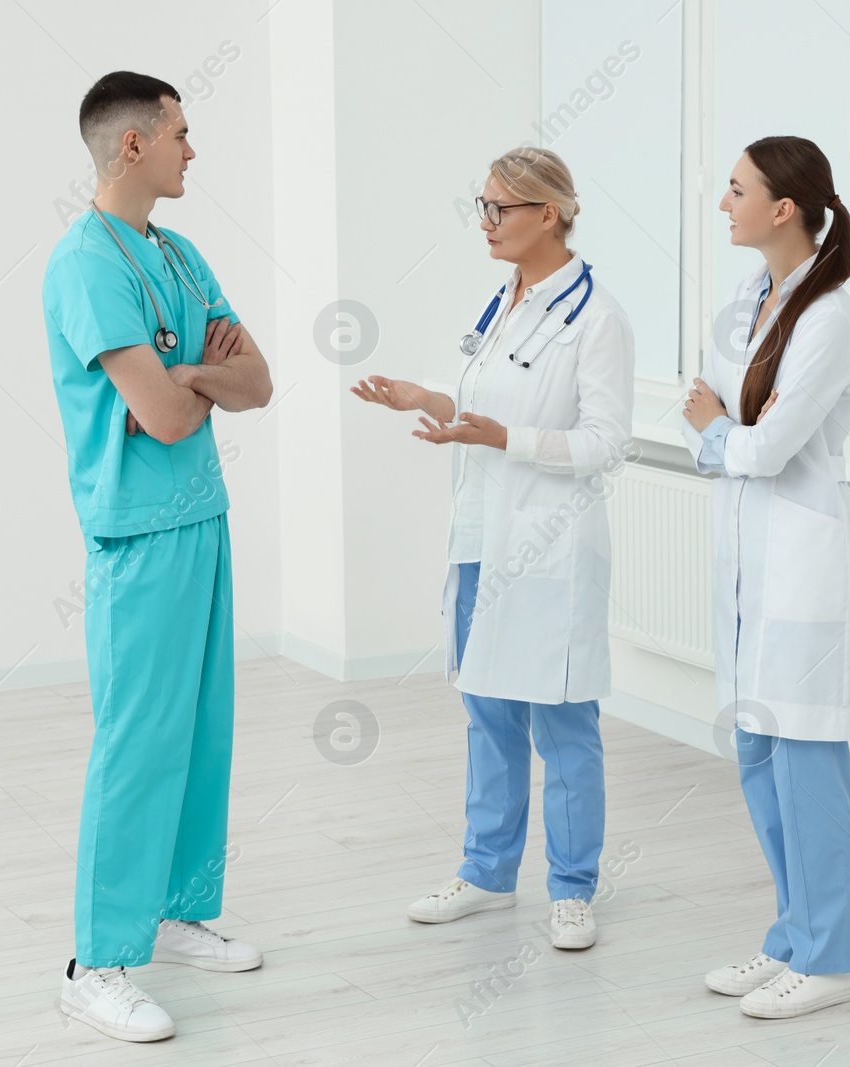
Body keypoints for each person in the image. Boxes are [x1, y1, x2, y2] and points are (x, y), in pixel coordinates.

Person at [351, 147, 634, 950]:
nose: (485, 223)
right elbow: (483, 404)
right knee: (487, 711)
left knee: (562, 721)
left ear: (549, 213)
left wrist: (505, 437)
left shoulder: (598, 317)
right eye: (481, 207)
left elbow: (608, 441)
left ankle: (573, 887)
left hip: (550, 547)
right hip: (483, 535)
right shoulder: (503, 300)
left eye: (499, 209)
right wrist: (426, 397)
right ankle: (486, 872)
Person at [41, 70, 273, 1042]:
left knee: (201, 729)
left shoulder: (176, 252)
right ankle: (96, 960)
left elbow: (257, 380)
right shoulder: (85, 264)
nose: (193, 148)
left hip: (203, 520)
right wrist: (191, 375)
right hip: (137, 532)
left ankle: (173, 913)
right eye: (181, 132)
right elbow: (168, 414)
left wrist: (190, 371)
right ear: (131, 144)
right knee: (136, 741)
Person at [679, 135, 850, 1019]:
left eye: (736, 189)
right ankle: (793, 932)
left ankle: (830, 958)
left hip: (804, 563)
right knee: (757, 753)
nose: (724, 204)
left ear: (782, 207)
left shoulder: (828, 317)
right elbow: (702, 421)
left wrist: (722, 434)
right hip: (749, 562)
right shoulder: (746, 298)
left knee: (805, 761)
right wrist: (722, 435)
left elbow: (761, 444)